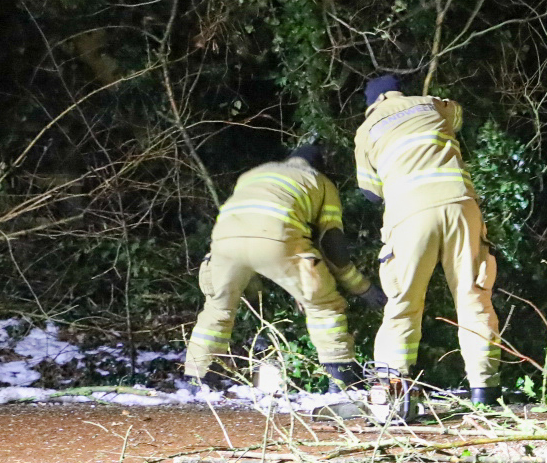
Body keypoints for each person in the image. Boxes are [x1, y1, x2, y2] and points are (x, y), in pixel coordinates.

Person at [354, 72, 502, 421]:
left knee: (404, 304)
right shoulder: (431, 105)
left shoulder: (366, 130)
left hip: (409, 215)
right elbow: (461, 117)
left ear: (371, 102)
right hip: (460, 205)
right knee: (473, 297)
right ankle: (485, 393)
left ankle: (393, 393)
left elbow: (368, 191)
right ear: (399, 91)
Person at [183, 142, 384, 394]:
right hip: (276, 239)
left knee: (218, 308)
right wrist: (362, 288)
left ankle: (197, 380)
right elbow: (332, 243)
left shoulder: (253, 174)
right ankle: (343, 379)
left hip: (224, 243)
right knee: (323, 305)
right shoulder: (320, 182)